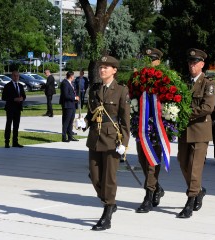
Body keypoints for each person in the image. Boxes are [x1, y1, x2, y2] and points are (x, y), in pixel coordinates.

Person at [84, 55, 130, 231]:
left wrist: (124, 143)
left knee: (109, 177)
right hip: (95, 138)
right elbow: (92, 113)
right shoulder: (95, 89)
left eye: (106, 67)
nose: (102, 70)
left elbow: (125, 120)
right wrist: (85, 123)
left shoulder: (121, 91)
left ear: (114, 70)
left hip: (112, 139)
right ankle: (109, 201)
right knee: (95, 175)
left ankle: (108, 211)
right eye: (101, 67)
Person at [177, 48, 215, 218]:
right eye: (190, 62)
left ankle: (190, 199)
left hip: (200, 130)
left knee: (195, 166)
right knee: (183, 163)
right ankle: (198, 189)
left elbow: (208, 107)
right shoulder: (183, 83)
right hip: (184, 130)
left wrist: (185, 113)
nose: (192, 65)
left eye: (195, 63)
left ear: (202, 64)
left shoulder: (209, 84)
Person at [135, 47, 165, 214]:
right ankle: (156, 187)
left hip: (158, 127)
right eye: (147, 60)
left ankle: (149, 194)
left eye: (152, 59)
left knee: (153, 162)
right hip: (141, 126)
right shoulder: (138, 78)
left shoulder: (165, 79)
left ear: (158, 61)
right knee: (142, 160)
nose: (149, 63)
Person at [2, 70, 26, 148]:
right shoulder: (8, 86)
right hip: (10, 108)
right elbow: (4, 97)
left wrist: (22, 98)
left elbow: (24, 96)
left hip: (18, 108)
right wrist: (13, 99)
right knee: (9, 125)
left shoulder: (20, 86)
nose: (16, 77)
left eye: (17, 76)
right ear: (12, 76)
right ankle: (7, 142)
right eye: (14, 76)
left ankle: (15, 142)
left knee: (16, 126)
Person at [59, 71, 79, 142]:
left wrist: (75, 98)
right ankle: (64, 137)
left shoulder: (71, 83)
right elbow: (66, 95)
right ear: (71, 76)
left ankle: (70, 136)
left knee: (71, 121)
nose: (74, 77)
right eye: (73, 76)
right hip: (67, 105)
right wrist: (74, 98)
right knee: (66, 121)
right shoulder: (65, 83)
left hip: (72, 105)